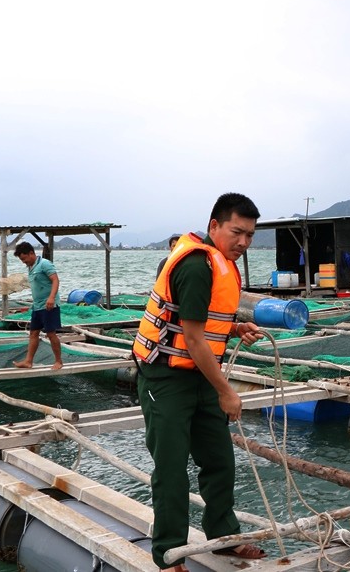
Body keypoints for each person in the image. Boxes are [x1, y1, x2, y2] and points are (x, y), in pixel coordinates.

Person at [133, 193, 268, 572]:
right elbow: (191, 339)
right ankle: (170, 554)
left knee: (220, 460)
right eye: (237, 232)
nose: (243, 242)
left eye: (250, 236)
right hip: (166, 378)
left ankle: (223, 537)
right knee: (172, 467)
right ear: (214, 227)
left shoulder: (220, 263)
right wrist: (227, 391)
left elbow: (203, 324)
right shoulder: (196, 266)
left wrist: (236, 327)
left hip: (200, 376)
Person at [12, 241, 64, 369]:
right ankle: (28, 361)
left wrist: (51, 298)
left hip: (49, 305)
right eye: (21, 260)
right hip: (37, 306)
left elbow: (55, 280)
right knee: (33, 333)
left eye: (24, 259)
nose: (24, 262)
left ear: (31, 253)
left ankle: (58, 361)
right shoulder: (30, 267)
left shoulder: (44, 264)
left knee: (51, 333)